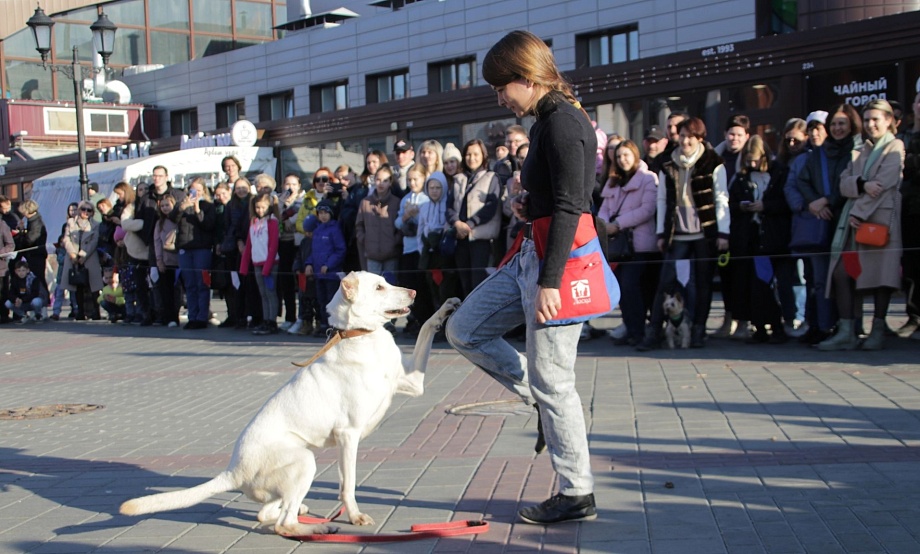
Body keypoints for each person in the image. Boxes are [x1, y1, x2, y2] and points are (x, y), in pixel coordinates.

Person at [447, 30, 599, 525]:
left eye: (500, 86)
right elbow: (552, 198)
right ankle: (538, 400)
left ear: (528, 78)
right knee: (464, 330)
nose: (498, 97)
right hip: (527, 255)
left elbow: (572, 207)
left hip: (556, 263)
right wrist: (523, 203)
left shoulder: (564, 124)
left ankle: (577, 492)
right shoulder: (544, 123)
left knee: (556, 382)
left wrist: (549, 282)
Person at [637, 116, 730, 350]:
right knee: (665, 282)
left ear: (700, 138)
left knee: (702, 283)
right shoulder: (667, 162)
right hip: (675, 232)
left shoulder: (713, 162)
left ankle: (699, 329)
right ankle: (655, 329)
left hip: (703, 232)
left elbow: (721, 198)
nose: (686, 141)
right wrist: (660, 233)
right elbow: (661, 199)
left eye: (691, 136)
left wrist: (723, 233)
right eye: (683, 135)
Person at [818, 99, 904, 351]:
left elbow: (885, 183)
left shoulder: (896, 146)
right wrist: (862, 184)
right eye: (867, 120)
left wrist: (859, 207)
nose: (870, 124)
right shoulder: (861, 148)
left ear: (889, 121)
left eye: (876, 119)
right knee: (843, 273)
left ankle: (878, 328)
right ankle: (847, 329)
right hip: (853, 226)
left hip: (880, 224)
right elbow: (844, 183)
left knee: (880, 277)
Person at [793, 105, 862, 344]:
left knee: (851, 275)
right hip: (822, 223)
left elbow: (855, 184)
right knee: (820, 279)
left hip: (851, 220)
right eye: (834, 124)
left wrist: (828, 201)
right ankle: (823, 327)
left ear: (852, 124)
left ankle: (853, 327)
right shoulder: (819, 153)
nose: (837, 128)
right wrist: (814, 202)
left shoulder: (859, 150)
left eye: (842, 123)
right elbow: (802, 180)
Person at [597, 140, 658, 346]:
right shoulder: (614, 180)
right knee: (621, 289)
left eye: (626, 155)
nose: (623, 159)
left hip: (638, 243)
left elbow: (647, 210)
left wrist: (618, 224)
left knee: (632, 286)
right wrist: (605, 225)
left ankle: (639, 331)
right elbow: (604, 208)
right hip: (617, 246)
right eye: (620, 156)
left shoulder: (648, 178)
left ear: (635, 155)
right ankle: (630, 329)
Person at [727, 135, 787, 343]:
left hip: (770, 237)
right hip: (748, 238)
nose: (752, 164)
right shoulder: (741, 177)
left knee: (768, 284)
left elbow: (785, 202)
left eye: (755, 160)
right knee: (751, 285)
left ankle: (777, 326)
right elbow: (730, 204)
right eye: (748, 160)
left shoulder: (777, 173)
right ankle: (758, 326)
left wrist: (766, 206)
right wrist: (741, 207)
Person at [712, 114, 752, 339]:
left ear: (746, 136)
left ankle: (743, 321)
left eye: (739, 135)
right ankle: (728, 319)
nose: (734, 138)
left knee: (743, 276)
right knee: (726, 275)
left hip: (745, 225)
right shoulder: (716, 157)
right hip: (721, 225)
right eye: (731, 134)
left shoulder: (751, 157)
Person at [450, 139, 501, 297]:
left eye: (476, 154)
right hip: (460, 238)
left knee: (478, 283)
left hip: (481, 239)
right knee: (464, 283)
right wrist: (457, 223)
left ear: (483, 156)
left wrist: (469, 224)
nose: (471, 158)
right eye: (468, 154)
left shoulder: (492, 178)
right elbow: (450, 206)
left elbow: (491, 208)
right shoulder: (459, 179)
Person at [171, 177, 216, 329]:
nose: (194, 193)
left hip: (202, 248)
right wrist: (182, 208)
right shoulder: (183, 205)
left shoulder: (208, 206)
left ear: (203, 191)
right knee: (189, 284)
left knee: (202, 283)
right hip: (185, 248)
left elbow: (209, 225)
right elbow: (172, 219)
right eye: (192, 190)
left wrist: (197, 210)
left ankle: (202, 317)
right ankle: (193, 316)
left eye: (198, 190)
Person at [395, 164, 433, 335]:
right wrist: (406, 215)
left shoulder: (426, 198)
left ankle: (427, 321)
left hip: (421, 248)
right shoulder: (405, 199)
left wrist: (416, 214)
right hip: (407, 248)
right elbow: (397, 223)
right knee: (409, 285)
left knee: (423, 287)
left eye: (415, 179)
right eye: (409, 179)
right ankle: (416, 320)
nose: (412, 182)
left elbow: (427, 223)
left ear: (424, 178)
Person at [240, 191, 281, 335]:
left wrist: (268, 266)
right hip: (257, 262)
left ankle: (272, 321)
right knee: (262, 293)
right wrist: (244, 266)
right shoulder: (254, 222)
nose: (260, 210)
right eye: (258, 207)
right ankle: (265, 320)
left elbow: (273, 244)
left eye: (263, 207)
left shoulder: (272, 221)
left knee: (270, 293)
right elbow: (249, 245)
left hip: (270, 263)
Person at [304, 200, 346, 336]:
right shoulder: (316, 230)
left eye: (326, 213)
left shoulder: (335, 229)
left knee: (331, 300)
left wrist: (328, 265)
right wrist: (309, 264)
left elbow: (340, 250)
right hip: (318, 274)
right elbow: (313, 251)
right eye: (320, 213)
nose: (323, 216)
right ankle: (324, 324)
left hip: (331, 274)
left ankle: (334, 326)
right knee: (321, 300)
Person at [897, 90, 920, 337]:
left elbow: (905, 163)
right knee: (911, 268)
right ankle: (914, 316)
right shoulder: (903, 136)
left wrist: (910, 162)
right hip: (908, 210)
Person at [355, 165, 402, 282]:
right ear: (374, 180)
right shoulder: (365, 202)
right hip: (372, 254)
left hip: (391, 254)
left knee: (390, 287)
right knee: (372, 287)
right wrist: (365, 239)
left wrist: (394, 241)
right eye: (378, 179)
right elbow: (359, 225)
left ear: (390, 182)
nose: (381, 183)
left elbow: (401, 227)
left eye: (385, 180)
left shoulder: (396, 202)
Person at [61, 201, 104, 320]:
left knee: (93, 286)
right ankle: (79, 311)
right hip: (73, 257)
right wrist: (73, 254)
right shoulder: (71, 222)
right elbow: (66, 239)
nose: (85, 212)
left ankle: (96, 311)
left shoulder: (95, 224)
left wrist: (83, 256)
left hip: (89, 257)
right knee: (76, 285)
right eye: (83, 209)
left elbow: (94, 241)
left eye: (89, 210)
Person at [223, 177, 254, 328]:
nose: (241, 190)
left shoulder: (253, 203)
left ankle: (252, 315)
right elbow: (227, 226)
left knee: (251, 284)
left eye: (244, 187)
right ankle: (238, 316)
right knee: (237, 284)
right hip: (234, 248)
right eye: (238, 187)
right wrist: (237, 241)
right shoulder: (230, 205)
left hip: (253, 245)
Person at [277, 173, 306, 331]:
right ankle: (289, 316)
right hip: (284, 243)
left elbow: (293, 223)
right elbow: (277, 221)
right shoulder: (279, 202)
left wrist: (288, 219)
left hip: (298, 243)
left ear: (299, 186)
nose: (290, 187)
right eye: (287, 184)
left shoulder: (303, 201)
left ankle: (303, 318)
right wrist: (281, 205)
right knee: (286, 281)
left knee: (300, 281)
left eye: (294, 184)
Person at [14, 199, 48, 304]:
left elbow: (30, 240)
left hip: (36, 255)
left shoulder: (36, 222)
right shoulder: (32, 221)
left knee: (38, 279)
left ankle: (43, 302)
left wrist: (21, 233)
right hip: (33, 255)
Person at [154, 195, 181, 327]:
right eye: (162, 206)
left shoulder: (179, 220)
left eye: (167, 205)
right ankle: (170, 317)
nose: (165, 208)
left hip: (180, 260)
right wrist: (159, 260)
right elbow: (157, 242)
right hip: (167, 261)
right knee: (167, 291)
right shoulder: (159, 223)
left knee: (180, 291)